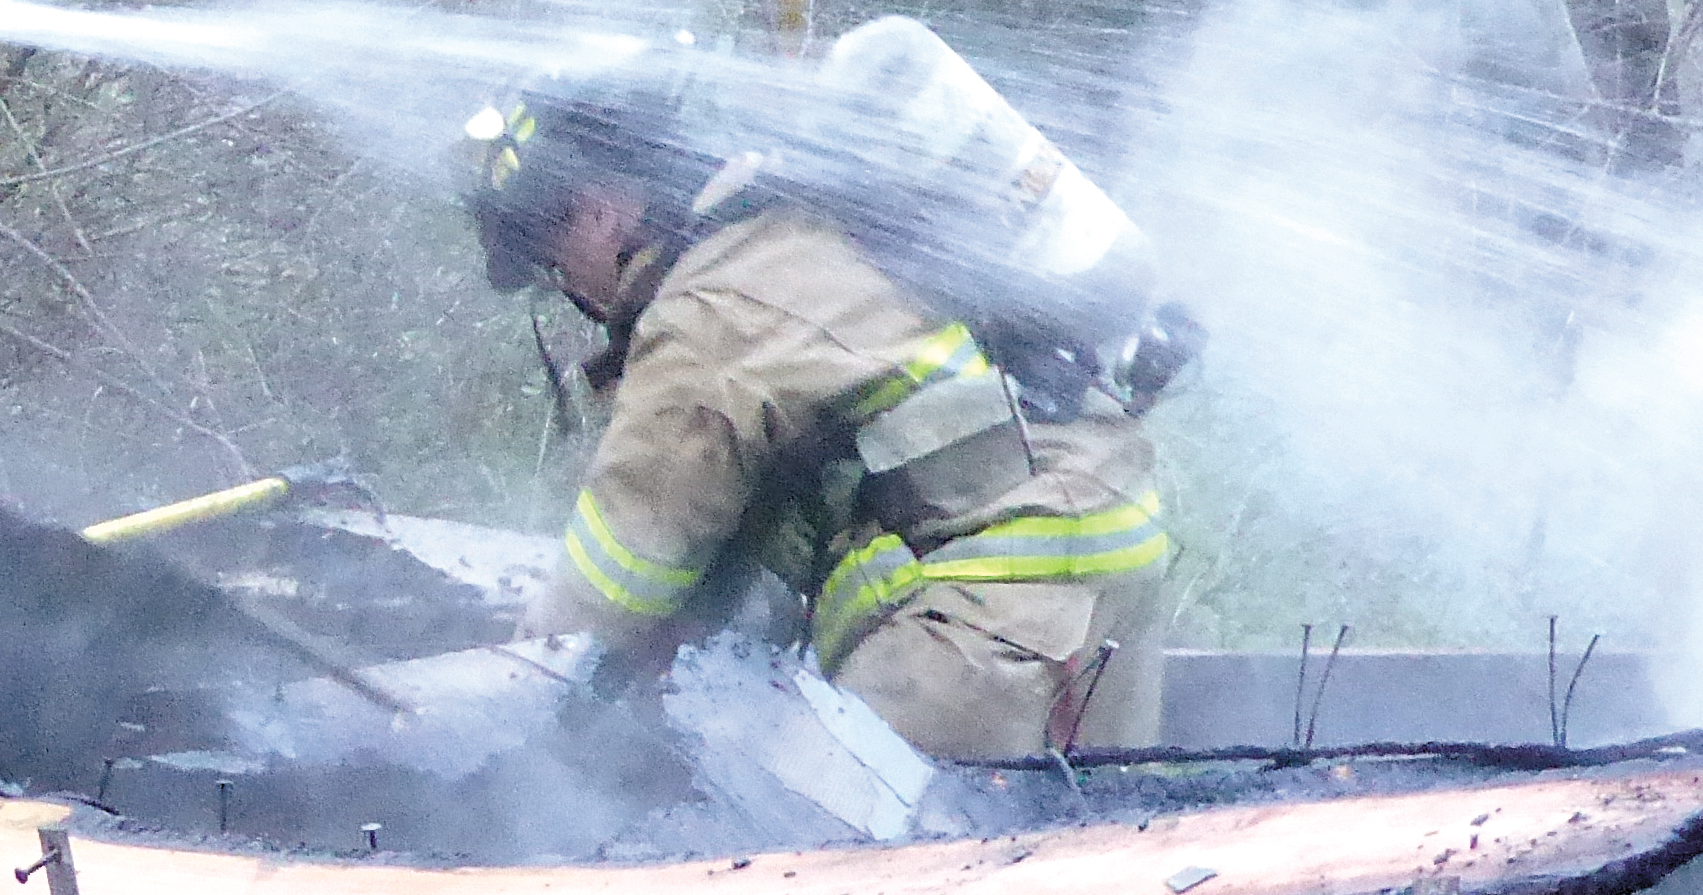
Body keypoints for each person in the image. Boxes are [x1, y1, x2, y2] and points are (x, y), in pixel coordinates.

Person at [464, 62, 1174, 759]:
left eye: (551, 261)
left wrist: (511, 704)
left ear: (597, 211)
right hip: (1105, 531)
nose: (563, 287)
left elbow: (618, 572)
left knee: (822, 835)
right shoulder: (782, 222)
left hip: (995, 592)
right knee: (1089, 839)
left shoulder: (705, 316)